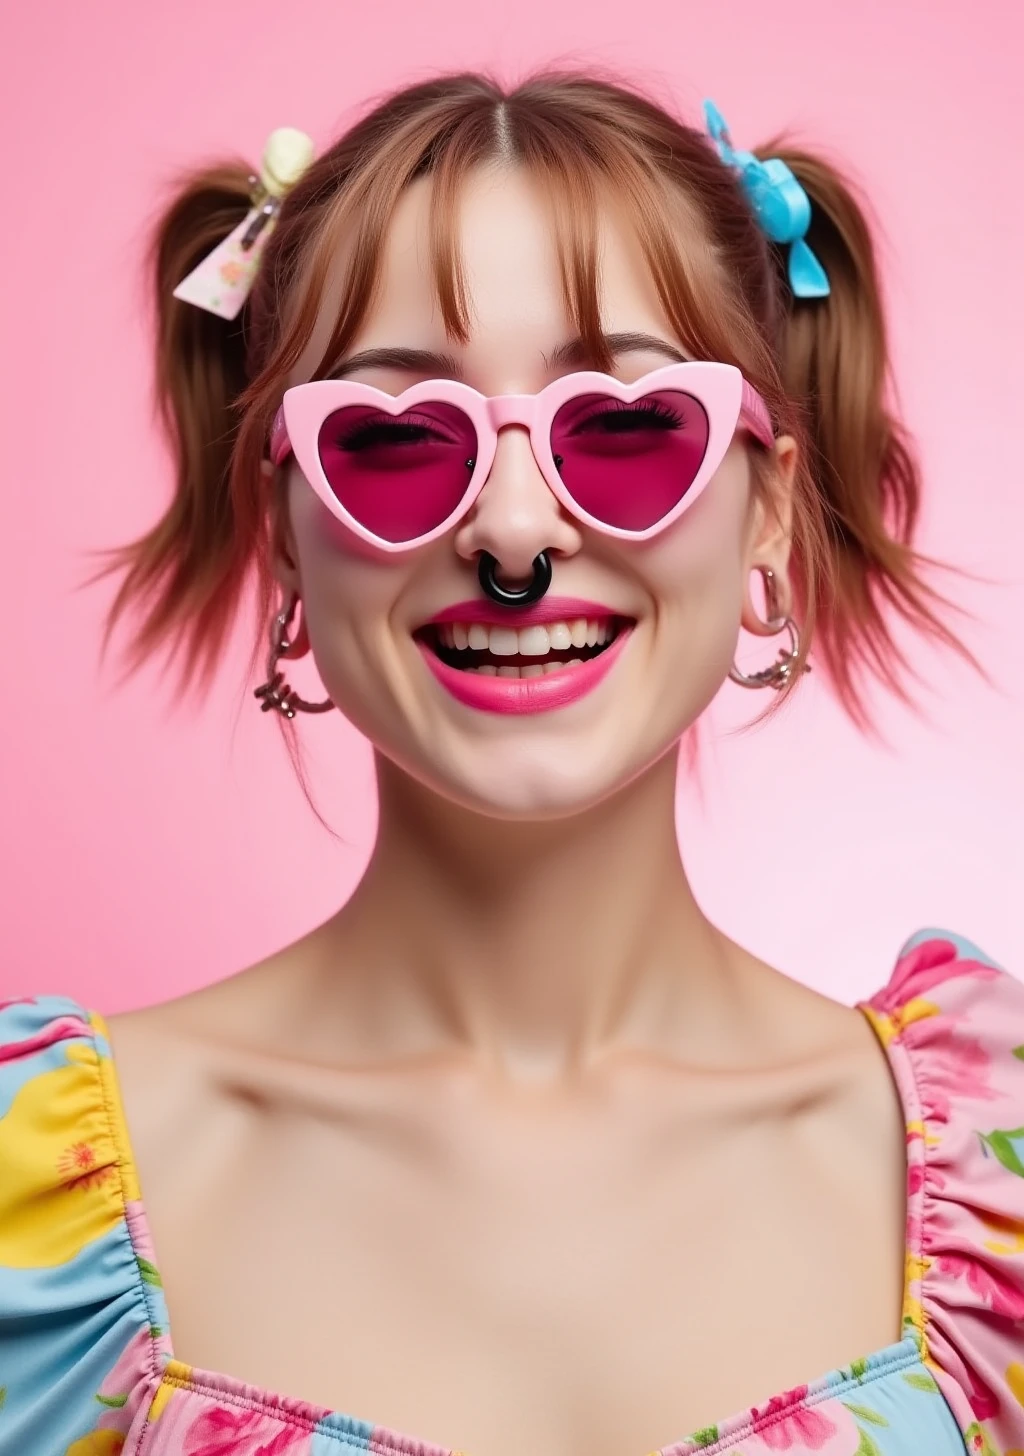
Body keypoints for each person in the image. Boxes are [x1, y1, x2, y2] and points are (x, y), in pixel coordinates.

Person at [1, 67, 1021, 1456]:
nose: (517, 534)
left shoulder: (1001, 1183)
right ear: (284, 527)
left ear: (771, 509)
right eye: (399, 444)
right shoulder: (23, 1215)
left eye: (625, 427)